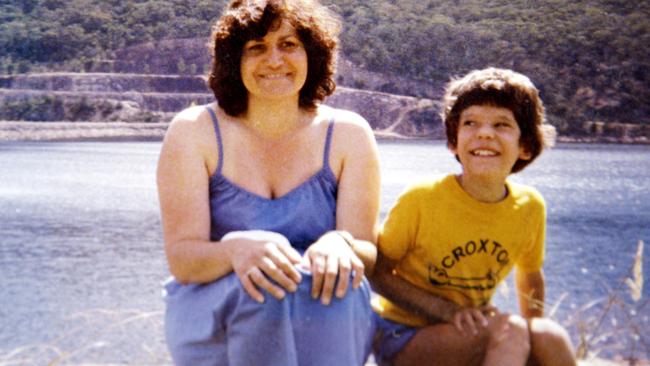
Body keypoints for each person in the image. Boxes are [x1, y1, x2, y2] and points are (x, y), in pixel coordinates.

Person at [156, 1, 380, 365]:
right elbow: (183, 260)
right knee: (264, 291)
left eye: (289, 45)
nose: (274, 60)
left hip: (319, 312)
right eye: (256, 48)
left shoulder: (349, 134)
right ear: (234, 61)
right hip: (221, 312)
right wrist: (234, 251)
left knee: (341, 288)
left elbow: (367, 253)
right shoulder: (194, 131)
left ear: (313, 55)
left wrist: (342, 243)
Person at [370, 68, 576, 366]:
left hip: (467, 332)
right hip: (403, 335)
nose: (484, 133)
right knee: (508, 329)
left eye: (502, 124)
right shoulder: (423, 198)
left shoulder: (529, 206)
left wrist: (536, 336)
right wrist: (447, 312)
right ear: (454, 141)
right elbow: (377, 273)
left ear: (526, 146)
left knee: (549, 335)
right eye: (470, 123)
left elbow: (530, 275)